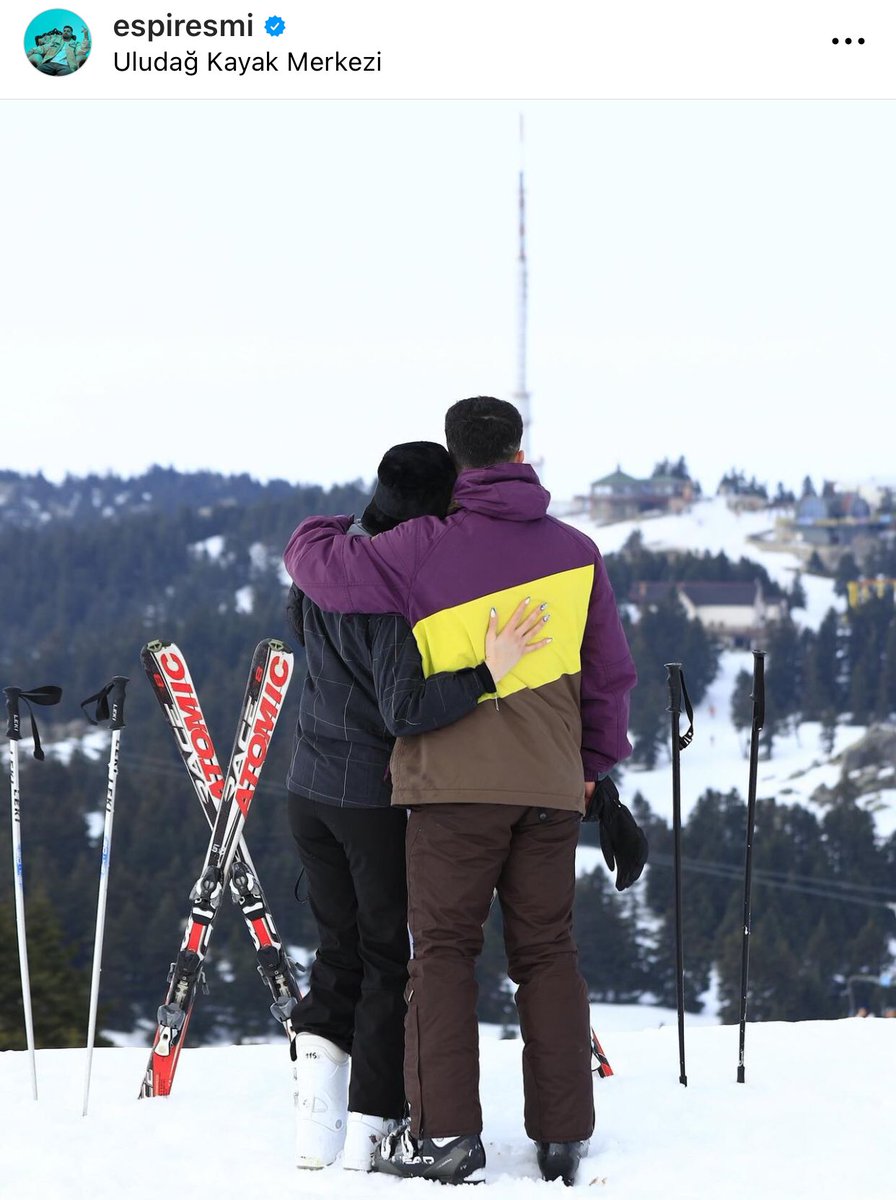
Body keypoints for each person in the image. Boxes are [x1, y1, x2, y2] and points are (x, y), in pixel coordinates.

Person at [284, 397, 639, 1186]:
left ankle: (448, 1137)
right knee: (547, 953)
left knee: (441, 956)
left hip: (450, 789)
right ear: (519, 451)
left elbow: (312, 564)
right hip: (549, 786)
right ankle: (561, 1138)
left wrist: (352, 511)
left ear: (455, 458)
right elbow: (610, 676)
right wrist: (591, 765)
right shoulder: (578, 552)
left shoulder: (419, 547)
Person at [286, 440, 552, 1174]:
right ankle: (372, 1128)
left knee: (338, 949)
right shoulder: (392, 600)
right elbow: (406, 709)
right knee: (383, 957)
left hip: (307, 787)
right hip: (369, 799)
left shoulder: (327, 562)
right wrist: (486, 672)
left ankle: (315, 1131)